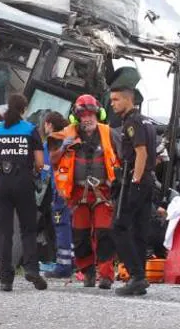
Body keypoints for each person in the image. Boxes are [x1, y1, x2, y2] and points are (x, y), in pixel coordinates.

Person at [0, 94, 48, 292]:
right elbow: (40, 163)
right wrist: (34, 173)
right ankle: (32, 268)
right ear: (24, 109)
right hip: (23, 181)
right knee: (28, 228)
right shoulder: (31, 130)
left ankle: (5, 280)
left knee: (3, 232)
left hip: (0, 182)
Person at [48, 95, 119, 289]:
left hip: (102, 192)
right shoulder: (65, 135)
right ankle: (87, 272)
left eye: (90, 114)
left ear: (99, 114)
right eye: (82, 115)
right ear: (75, 117)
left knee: (104, 233)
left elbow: (123, 157)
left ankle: (105, 276)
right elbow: (52, 159)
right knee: (80, 237)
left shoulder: (110, 134)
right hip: (78, 194)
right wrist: (64, 147)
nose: (87, 118)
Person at [109, 86, 157, 296]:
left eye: (116, 100)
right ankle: (140, 277)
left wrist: (135, 181)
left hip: (136, 178)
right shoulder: (147, 121)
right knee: (139, 229)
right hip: (148, 180)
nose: (112, 104)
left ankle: (136, 275)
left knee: (119, 226)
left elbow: (141, 153)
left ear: (128, 100)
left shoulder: (132, 122)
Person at [40, 111, 73, 278]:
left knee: (61, 226)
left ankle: (63, 266)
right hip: (71, 190)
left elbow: (46, 166)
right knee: (71, 227)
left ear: (49, 124)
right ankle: (72, 263)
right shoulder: (70, 138)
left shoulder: (52, 142)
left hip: (59, 190)